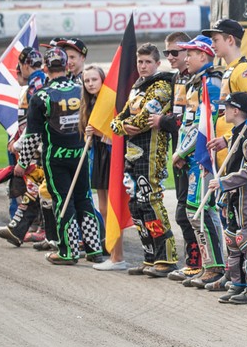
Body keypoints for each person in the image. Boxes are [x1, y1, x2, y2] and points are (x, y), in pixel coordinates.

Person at [16, 47, 105, 265]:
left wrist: (22, 163)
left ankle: (68, 251)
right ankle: (94, 249)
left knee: (63, 202)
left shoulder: (41, 96)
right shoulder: (79, 88)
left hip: (56, 156)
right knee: (84, 199)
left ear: (45, 68)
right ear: (66, 66)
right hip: (81, 153)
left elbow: (32, 136)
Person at [110, 43, 177, 277]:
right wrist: (122, 126)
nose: (143, 66)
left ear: (158, 64)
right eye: (140, 62)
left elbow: (144, 119)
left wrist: (125, 127)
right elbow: (119, 119)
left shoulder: (160, 86)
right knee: (136, 206)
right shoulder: (138, 87)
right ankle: (150, 257)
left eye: (148, 61)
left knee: (150, 202)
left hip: (151, 154)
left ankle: (166, 257)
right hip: (133, 155)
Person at [171, 36, 227, 288]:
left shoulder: (211, 83)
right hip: (192, 158)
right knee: (195, 211)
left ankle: (215, 266)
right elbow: (187, 124)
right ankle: (208, 265)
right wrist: (183, 152)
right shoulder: (195, 83)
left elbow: (205, 126)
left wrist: (182, 152)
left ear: (203, 56)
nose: (185, 58)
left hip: (203, 158)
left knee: (202, 210)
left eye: (190, 54)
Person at [208, 92, 247, 304]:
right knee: (232, 240)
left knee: (246, 240)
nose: (222, 110)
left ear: (236, 110)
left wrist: (224, 182)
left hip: (245, 198)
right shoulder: (236, 135)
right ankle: (238, 282)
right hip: (233, 197)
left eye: (226, 106)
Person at [152, 32, 203, 282]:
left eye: (176, 52)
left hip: (193, 154)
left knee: (192, 212)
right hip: (179, 152)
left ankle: (200, 263)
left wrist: (162, 121)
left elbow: (195, 120)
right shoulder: (176, 80)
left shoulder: (200, 80)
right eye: (167, 53)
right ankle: (193, 261)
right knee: (183, 210)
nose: (170, 57)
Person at [0, 49, 50, 247]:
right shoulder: (38, 82)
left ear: (25, 65)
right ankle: (19, 229)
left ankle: (41, 231)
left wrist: (19, 145)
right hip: (38, 145)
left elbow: (35, 123)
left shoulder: (37, 85)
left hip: (41, 146)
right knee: (35, 188)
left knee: (40, 189)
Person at [79, 65, 125, 270]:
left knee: (113, 205)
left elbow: (117, 136)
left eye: (94, 80)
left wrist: (98, 133)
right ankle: (109, 244)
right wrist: (89, 133)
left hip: (111, 156)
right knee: (103, 206)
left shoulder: (110, 101)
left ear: (102, 80)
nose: (90, 84)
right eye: (87, 81)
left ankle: (116, 250)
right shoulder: (88, 104)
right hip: (97, 156)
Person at [202, 18, 247, 167]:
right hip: (228, 151)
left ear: (230, 39)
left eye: (215, 40)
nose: (212, 45)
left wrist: (228, 138)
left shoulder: (244, 70)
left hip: (240, 152)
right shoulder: (230, 70)